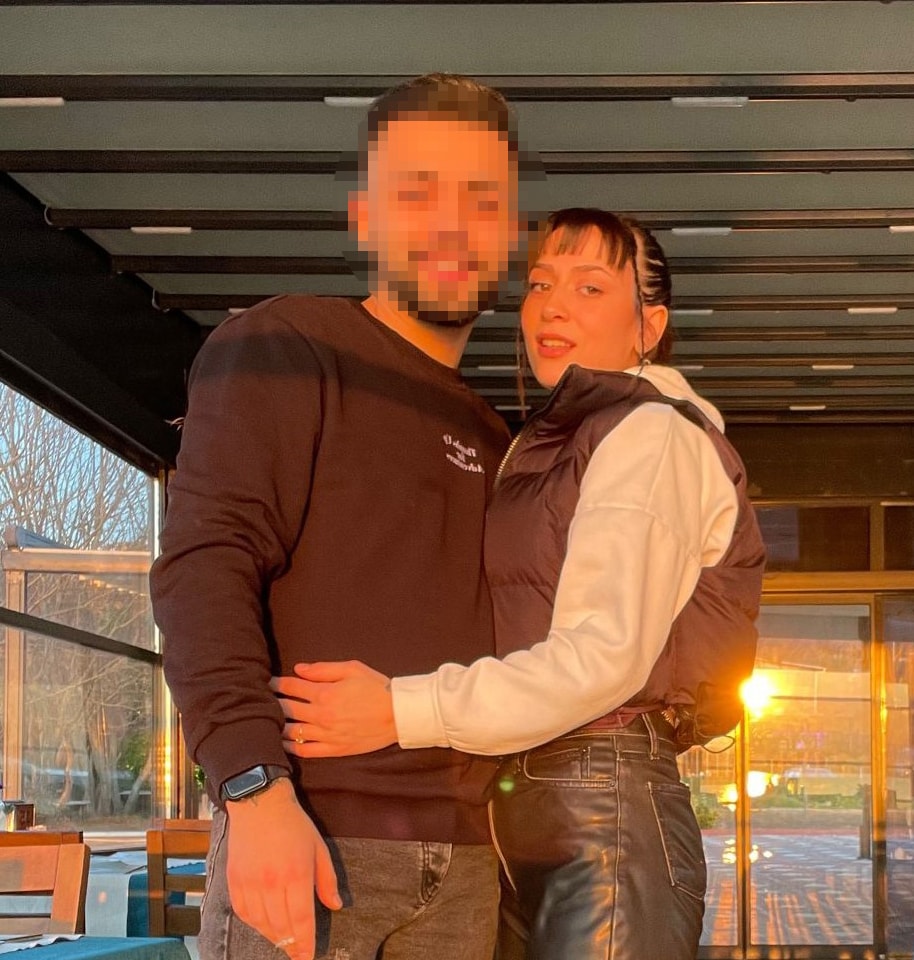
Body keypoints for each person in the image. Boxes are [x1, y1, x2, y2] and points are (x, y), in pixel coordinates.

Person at [273, 209, 766, 959]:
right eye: (540, 284)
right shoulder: (558, 441)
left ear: (650, 324)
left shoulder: (652, 434)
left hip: (602, 804)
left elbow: (602, 659)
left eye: (590, 287)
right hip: (534, 801)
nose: (553, 306)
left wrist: (398, 709)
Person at [149, 73, 520, 960]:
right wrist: (253, 789)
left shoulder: (492, 433)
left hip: (472, 864)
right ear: (364, 219)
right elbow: (204, 567)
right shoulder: (286, 346)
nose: (451, 224)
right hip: (311, 839)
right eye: (418, 192)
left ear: (509, 232)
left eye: (481, 199)